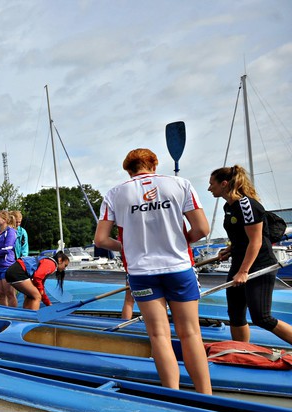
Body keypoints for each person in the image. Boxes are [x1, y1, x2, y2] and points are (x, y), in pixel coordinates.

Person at [94, 148, 211, 394]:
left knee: (159, 336)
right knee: (190, 334)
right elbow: (201, 229)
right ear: (154, 165)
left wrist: (127, 247)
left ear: (128, 169)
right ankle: (206, 396)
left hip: (141, 272)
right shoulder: (180, 184)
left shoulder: (115, 194)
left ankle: (172, 395)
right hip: (178, 267)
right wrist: (181, 241)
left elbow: (101, 240)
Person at [208, 165, 292, 345]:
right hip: (239, 263)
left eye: (212, 184)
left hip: (259, 266)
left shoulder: (247, 205)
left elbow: (256, 241)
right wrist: (229, 249)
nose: (209, 188)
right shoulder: (227, 206)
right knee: (236, 314)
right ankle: (241, 351)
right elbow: (241, 236)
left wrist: (244, 271)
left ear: (224, 184)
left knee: (262, 317)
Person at [5, 251, 70, 309]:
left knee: (31, 295)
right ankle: (34, 319)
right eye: (65, 265)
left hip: (11, 272)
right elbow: (37, 277)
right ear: (60, 260)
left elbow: (40, 285)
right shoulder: (51, 264)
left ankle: (26, 316)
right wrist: (41, 291)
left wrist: (48, 303)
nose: (64, 268)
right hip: (17, 272)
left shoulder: (47, 261)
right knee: (37, 296)